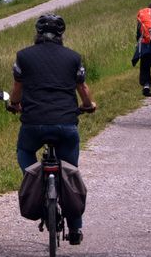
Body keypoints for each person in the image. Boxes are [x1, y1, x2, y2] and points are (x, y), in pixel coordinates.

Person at [10, 13, 97, 245]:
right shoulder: (73, 57)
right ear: (61, 35)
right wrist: (89, 106)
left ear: (37, 33)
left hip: (33, 123)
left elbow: (17, 89)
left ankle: (34, 182)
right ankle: (76, 228)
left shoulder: (23, 56)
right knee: (70, 172)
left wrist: (14, 104)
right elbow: (83, 88)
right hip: (66, 123)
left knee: (24, 151)